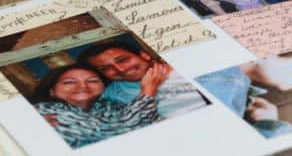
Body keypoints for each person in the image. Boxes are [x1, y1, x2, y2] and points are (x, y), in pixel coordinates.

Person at [32, 64, 165, 148]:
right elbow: (107, 130)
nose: (83, 86)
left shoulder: (110, 104)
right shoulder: (42, 110)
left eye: (92, 81)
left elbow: (155, 123)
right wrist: (148, 91)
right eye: (69, 82)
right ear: (52, 91)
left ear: (103, 88)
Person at [79, 42, 207, 119]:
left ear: (144, 55)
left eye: (122, 59)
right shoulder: (111, 95)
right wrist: (147, 92)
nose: (121, 69)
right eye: (106, 68)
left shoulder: (187, 68)